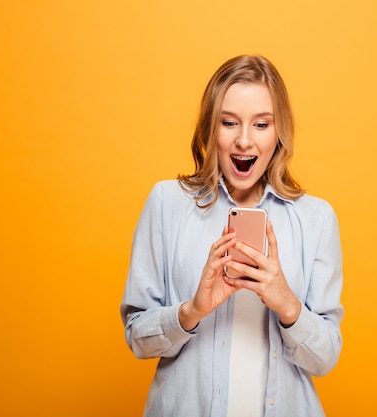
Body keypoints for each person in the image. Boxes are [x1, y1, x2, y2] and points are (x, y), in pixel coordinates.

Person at [120, 54, 343, 417]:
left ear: (279, 132)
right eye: (228, 122)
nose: (243, 141)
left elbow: (325, 357)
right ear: (211, 128)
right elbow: (138, 338)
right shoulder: (167, 203)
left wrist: (287, 304)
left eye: (261, 124)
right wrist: (192, 311)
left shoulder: (316, 218)